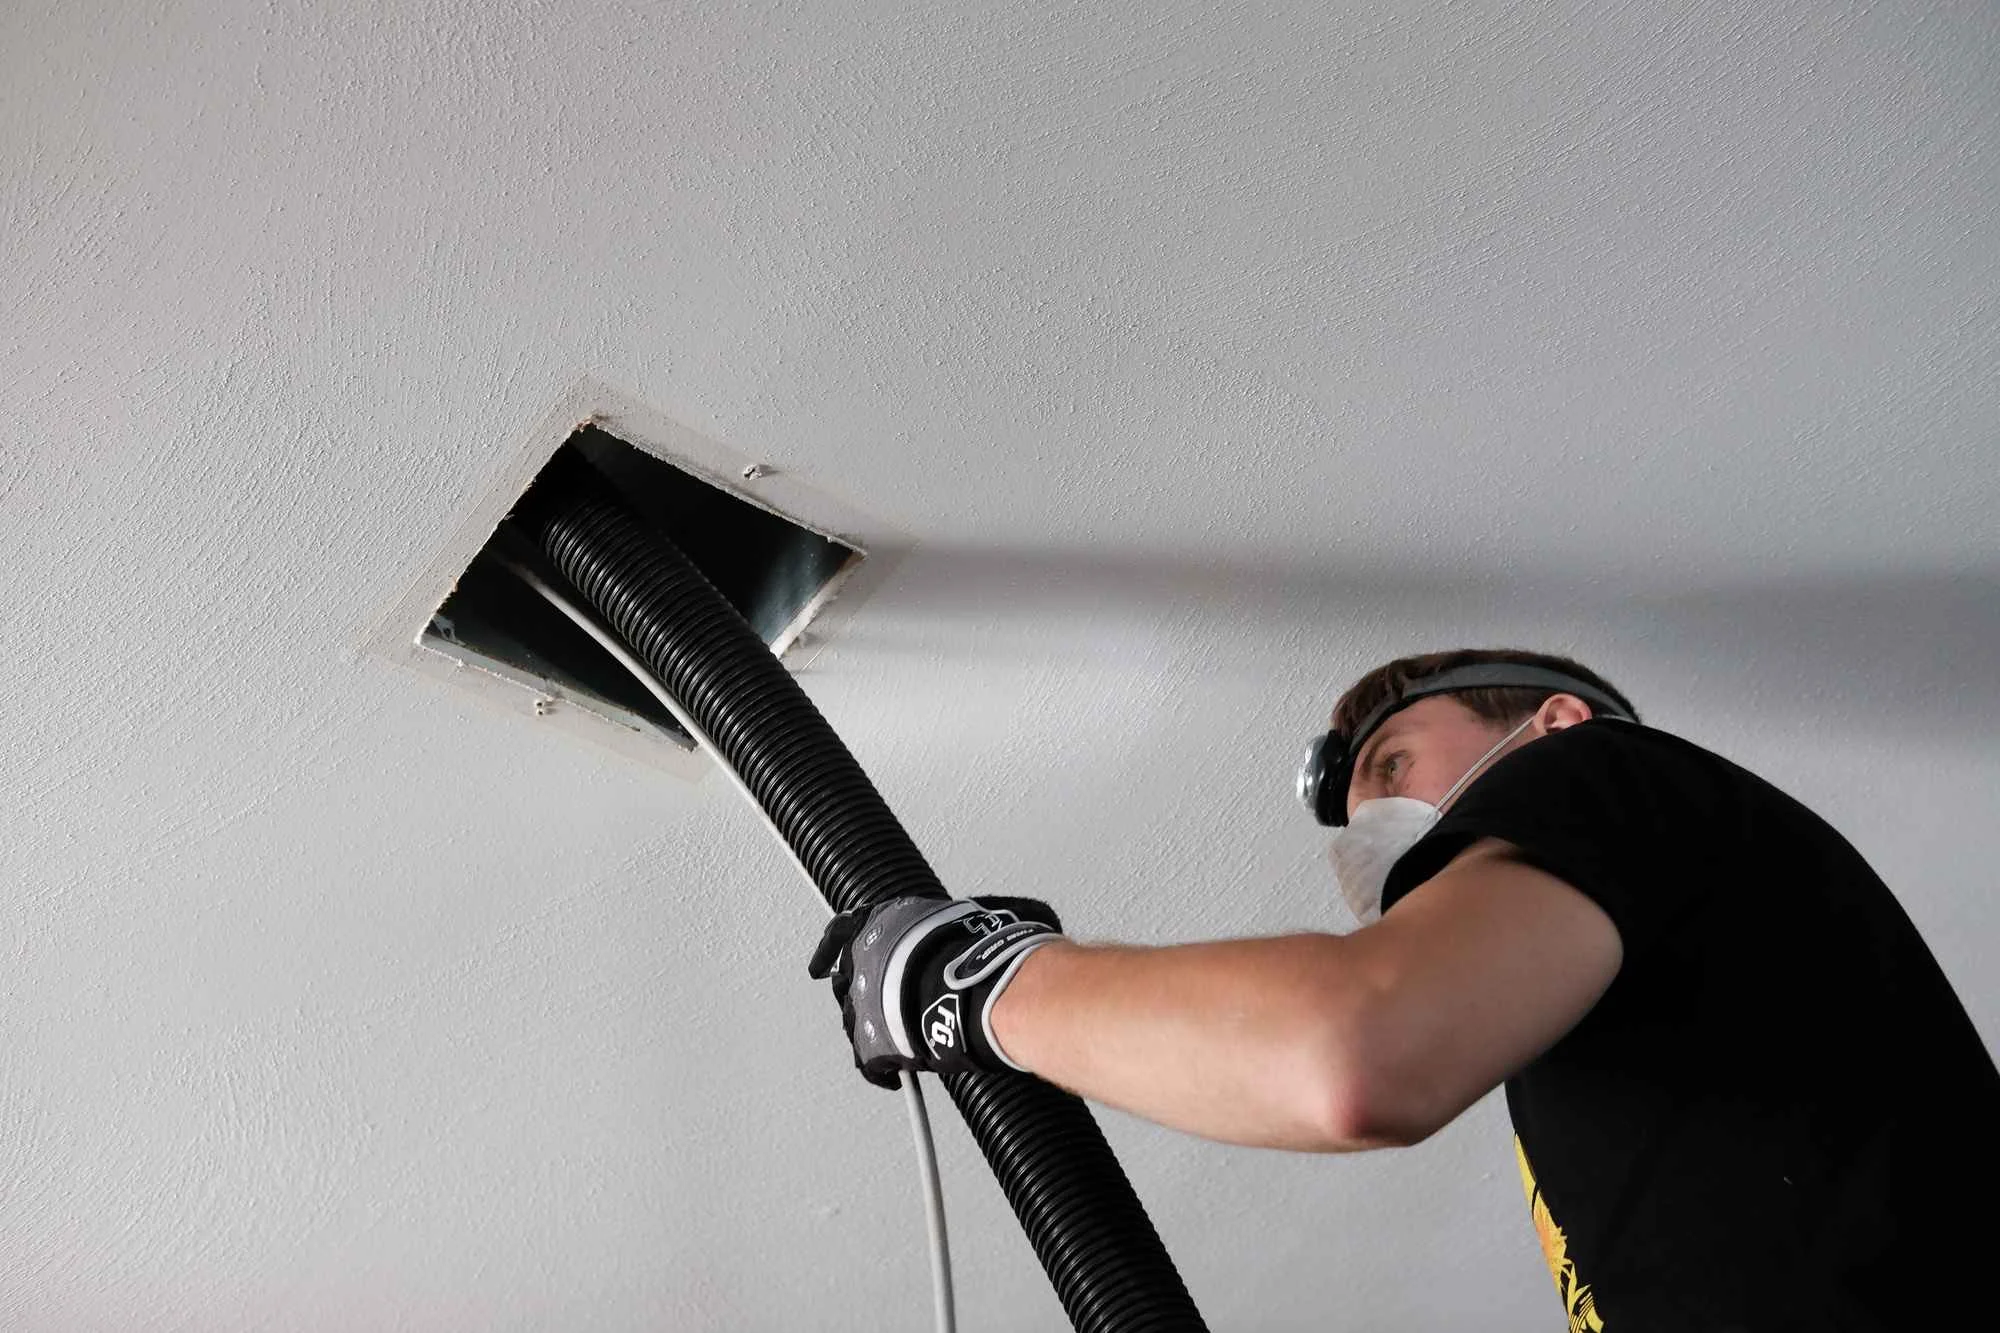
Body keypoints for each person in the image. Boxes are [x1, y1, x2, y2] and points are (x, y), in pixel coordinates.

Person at [809, 647, 2000, 1331]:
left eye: (1389, 766)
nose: (1368, 826)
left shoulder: (1595, 771)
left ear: (1553, 720)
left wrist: (971, 980)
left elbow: (1347, 1053)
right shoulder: (1632, 1048)